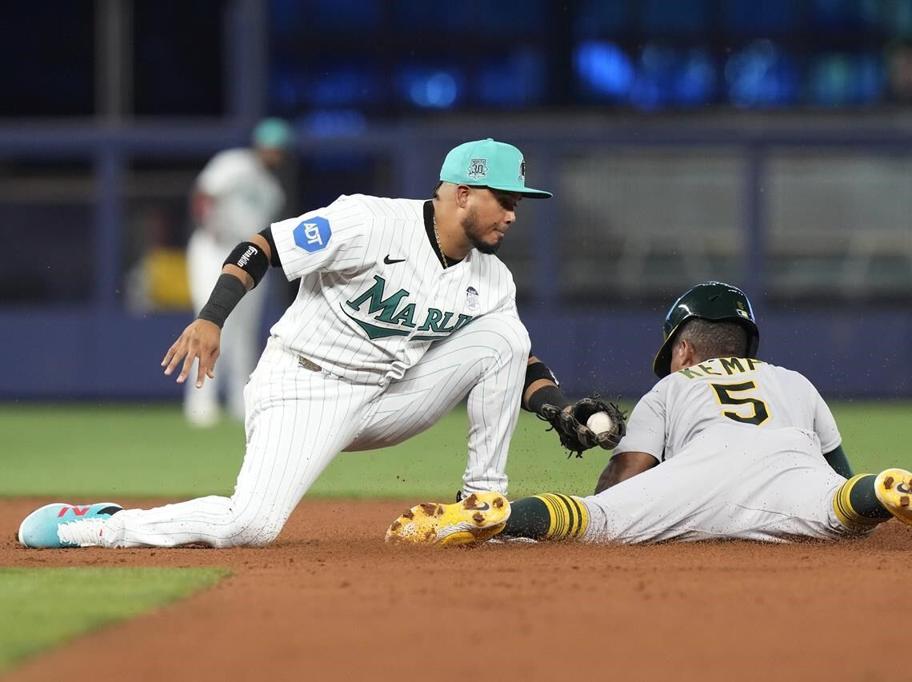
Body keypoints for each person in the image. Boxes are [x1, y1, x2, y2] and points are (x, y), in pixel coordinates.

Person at [17, 138, 624, 549]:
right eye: (505, 200)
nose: (514, 214)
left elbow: (517, 360)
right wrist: (212, 317)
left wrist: (557, 408)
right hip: (302, 385)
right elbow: (264, 245)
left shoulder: (491, 276)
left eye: (518, 203)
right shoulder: (368, 221)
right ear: (463, 192)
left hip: (387, 397)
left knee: (505, 337)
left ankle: (480, 502)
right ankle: (95, 527)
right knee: (250, 525)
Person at [384, 281, 912, 551]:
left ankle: (493, 512)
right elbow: (838, 468)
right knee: (843, 507)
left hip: (699, 475)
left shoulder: (672, 388)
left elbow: (625, 479)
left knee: (593, 521)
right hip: (795, 475)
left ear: (684, 349)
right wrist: (856, 498)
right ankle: (888, 490)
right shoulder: (792, 380)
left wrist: (614, 486)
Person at [184, 117, 292, 426]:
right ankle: (201, 401)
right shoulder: (234, 163)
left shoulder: (273, 190)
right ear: (259, 144)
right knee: (209, 320)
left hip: (248, 257)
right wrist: (209, 226)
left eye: (279, 148)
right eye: (270, 146)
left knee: (244, 330)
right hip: (214, 248)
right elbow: (204, 193)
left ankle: (238, 400)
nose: (273, 152)